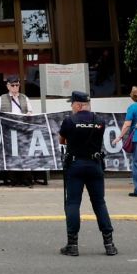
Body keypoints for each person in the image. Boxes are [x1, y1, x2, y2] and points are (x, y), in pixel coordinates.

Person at [57, 90, 116, 257]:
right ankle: (109, 243)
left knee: (73, 203)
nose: (71, 107)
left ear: (78, 104)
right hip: (94, 165)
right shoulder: (99, 121)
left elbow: (62, 140)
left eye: (72, 104)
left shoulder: (69, 121)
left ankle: (72, 244)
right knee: (99, 203)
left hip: (75, 165)